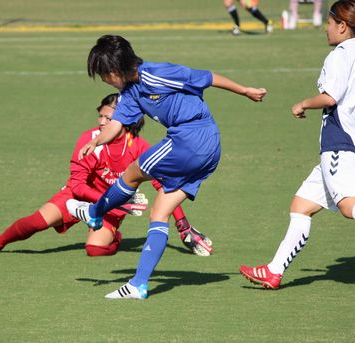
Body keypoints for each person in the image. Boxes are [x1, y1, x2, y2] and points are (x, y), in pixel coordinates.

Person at [66, 35, 266, 299]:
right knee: (159, 214)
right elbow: (116, 126)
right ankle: (139, 284)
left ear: (113, 71)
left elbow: (206, 77)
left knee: (133, 172)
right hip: (204, 149)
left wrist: (245, 90)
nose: (103, 80)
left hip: (192, 137)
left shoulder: (157, 73)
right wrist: (97, 142)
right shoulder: (129, 93)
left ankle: (95, 212)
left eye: (102, 75)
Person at [0, 94, 213, 257]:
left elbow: (164, 186)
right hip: (77, 198)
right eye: (101, 116)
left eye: (109, 117)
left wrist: (183, 226)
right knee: (35, 222)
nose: (102, 122)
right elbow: (76, 184)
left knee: (94, 250)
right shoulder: (89, 139)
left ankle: (115, 237)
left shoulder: (139, 147)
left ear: (126, 119)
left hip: (111, 207)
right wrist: (114, 200)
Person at [240, 0, 355, 290]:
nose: (326, 28)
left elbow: (330, 97)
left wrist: (302, 103)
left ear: (342, 26)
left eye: (329, 23)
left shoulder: (340, 55)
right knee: (301, 205)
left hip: (340, 145)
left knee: (347, 206)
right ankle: (274, 271)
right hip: (343, 145)